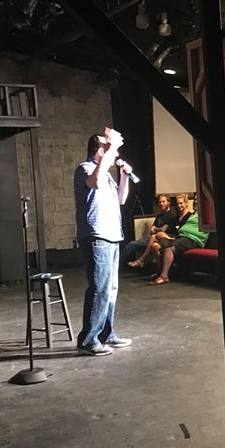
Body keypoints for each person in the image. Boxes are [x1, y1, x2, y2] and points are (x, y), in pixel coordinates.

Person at [74, 128, 133, 356]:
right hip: (96, 236)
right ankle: (88, 340)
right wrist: (111, 151)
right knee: (99, 289)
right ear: (101, 150)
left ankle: (106, 334)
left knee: (111, 289)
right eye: (107, 148)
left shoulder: (106, 173)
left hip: (112, 235)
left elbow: (121, 199)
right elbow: (95, 182)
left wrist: (125, 176)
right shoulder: (86, 168)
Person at [150, 194, 209, 284]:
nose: (195, 201)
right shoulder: (194, 214)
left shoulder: (207, 214)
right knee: (156, 245)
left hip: (193, 239)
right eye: (195, 199)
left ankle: (164, 276)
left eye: (198, 199)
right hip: (182, 237)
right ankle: (163, 271)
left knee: (169, 247)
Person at [126, 194, 179, 267]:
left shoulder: (171, 215)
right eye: (160, 202)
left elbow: (163, 230)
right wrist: (157, 229)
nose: (161, 204)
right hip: (153, 239)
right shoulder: (159, 216)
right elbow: (151, 231)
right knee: (132, 244)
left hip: (164, 239)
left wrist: (156, 229)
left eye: (163, 202)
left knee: (133, 244)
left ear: (168, 202)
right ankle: (123, 265)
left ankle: (140, 260)